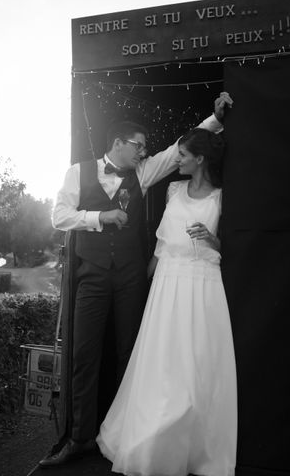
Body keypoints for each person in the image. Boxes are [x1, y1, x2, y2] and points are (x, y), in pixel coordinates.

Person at [40, 92, 234, 467]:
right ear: (118, 143)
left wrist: (213, 119)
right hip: (92, 278)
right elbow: (59, 217)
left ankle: (125, 435)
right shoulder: (77, 173)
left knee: (131, 355)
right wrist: (98, 218)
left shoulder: (142, 174)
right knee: (84, 355)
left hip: (131, 278)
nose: (145, 153)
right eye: (139, 146)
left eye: (145, 148)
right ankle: (79, 438)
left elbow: (179, 148)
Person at [96, 125, 238, 476]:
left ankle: (192, 448)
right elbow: (160, 245)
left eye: (185, 156)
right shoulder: (173, 189)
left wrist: (212, 240)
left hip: (202, 285)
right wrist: (141, 285)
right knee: (160, 364)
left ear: (200, 159)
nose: (179, 161)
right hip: (166, 284)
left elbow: (232, 250)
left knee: (196, 366)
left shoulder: (222, 197)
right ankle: (149, 439)